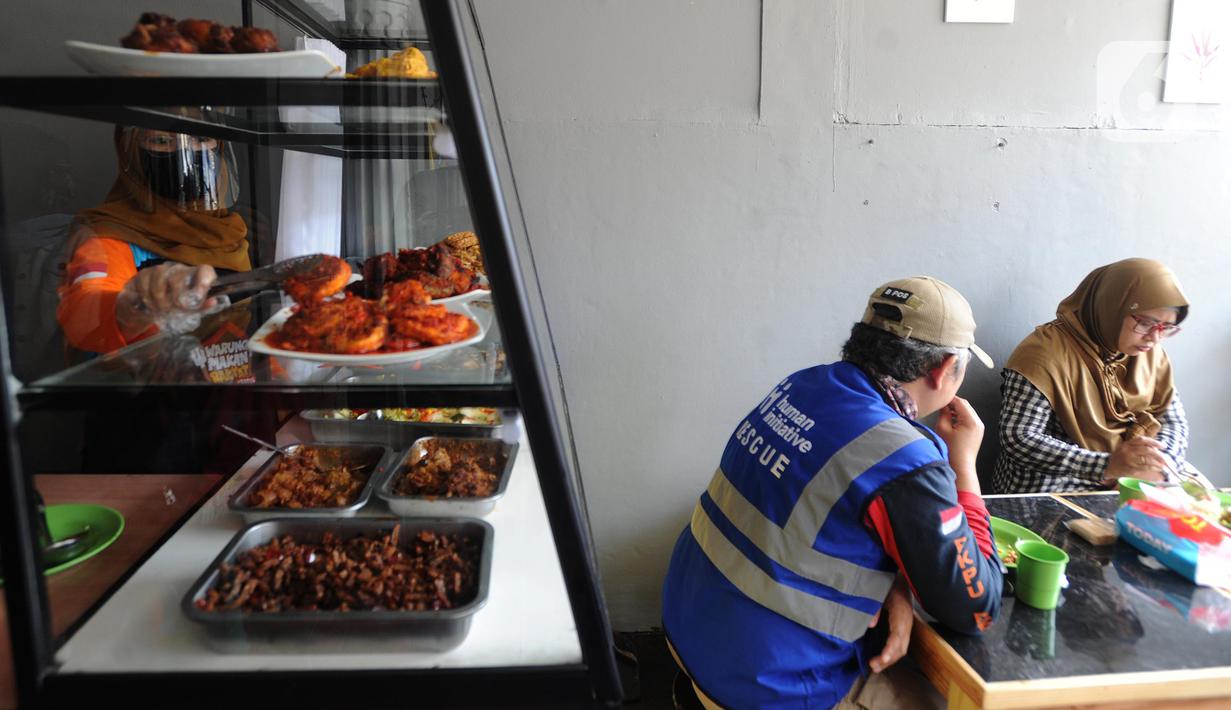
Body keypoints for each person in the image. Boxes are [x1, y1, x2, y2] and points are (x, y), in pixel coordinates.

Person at [661, 277, 1004, 710]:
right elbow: (976, 607)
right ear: (942, 369)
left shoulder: (802, 386)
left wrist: (893, 584)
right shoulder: (905, 457)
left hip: (691, 628)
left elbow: (817, 526)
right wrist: (964, 464)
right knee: (946, 700)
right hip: (764, 682)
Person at [992, 258, 1203, 494]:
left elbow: (1172, 419)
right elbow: (1019, 438)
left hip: (1129, 478)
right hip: (1053, 486)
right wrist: (1107, 466)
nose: (1154, 338)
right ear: (1111, 307)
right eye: (1145, 323)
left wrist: (1161, 462)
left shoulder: (1152, 356)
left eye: (1166, 328)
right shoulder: (1043, 354)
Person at [57, 125, 248, 355]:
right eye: (160, 140)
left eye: (201, 137)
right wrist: (135, 306)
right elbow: (86, 313)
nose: (185, 152)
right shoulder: (106, 238)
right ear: (133, 154)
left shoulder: (229, 233)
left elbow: (247, 340)